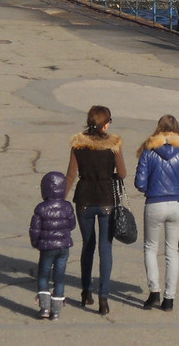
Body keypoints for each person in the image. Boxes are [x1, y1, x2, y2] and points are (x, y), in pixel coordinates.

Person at [65, 105, 127, 316]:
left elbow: (71, 176)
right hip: (106, 200)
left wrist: (60, 199)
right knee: (105, 249)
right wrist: (111, 177)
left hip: (84, 200)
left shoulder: (78, 145)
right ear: (105, 123)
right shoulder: (113, 145)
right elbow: (123, 173)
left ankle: (85, 291)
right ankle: (104, 298)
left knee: (87, 246)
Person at [134, 114, 179, 313]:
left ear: (158, 130)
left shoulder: (148, 152)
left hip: (154, 203)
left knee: (150, 248)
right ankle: (169, 299)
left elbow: (139, 183)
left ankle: (154, 291)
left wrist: (151, 187)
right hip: (176, 204)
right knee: (172, 251)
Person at [29, 171, 77, 320]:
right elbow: (72, 224)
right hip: (63, 246)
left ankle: (44, 307)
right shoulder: (67, 207)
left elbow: (35, 230)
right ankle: (56, 311)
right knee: (59, 276)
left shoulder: (41, 208)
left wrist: (36, 243)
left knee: (43, 275)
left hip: (47, 247)